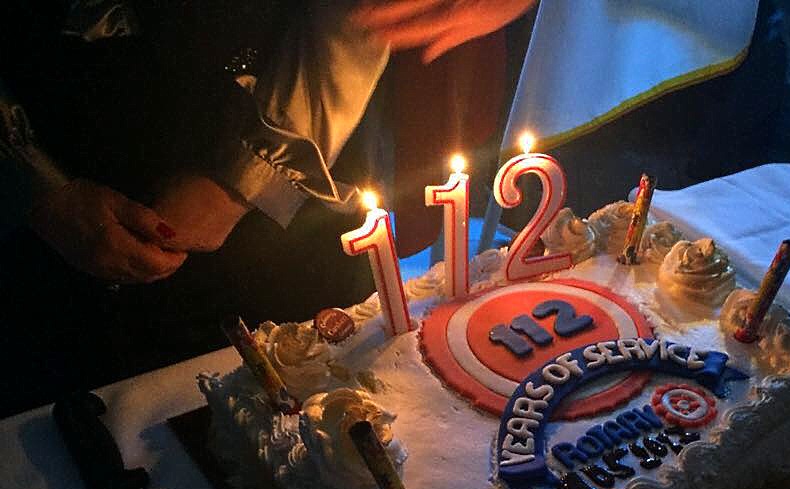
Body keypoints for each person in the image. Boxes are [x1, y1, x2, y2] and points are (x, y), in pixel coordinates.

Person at [0, 0, 536, 415]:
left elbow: (360, 16)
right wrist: (30, 180)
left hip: (290, 166)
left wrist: (248, 177)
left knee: (325, 399)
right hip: (49, 146)